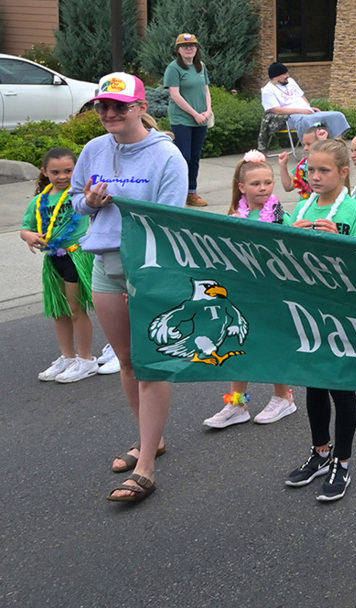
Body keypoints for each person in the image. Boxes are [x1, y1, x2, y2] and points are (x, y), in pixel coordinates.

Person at [71, 73, 188, 502]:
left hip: (146, 267)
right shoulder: (94, 149)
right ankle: (149, 438)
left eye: (119, 105)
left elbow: (172, 224)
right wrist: (92, 202)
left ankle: (146, 468)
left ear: (141, 107)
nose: (109, 113)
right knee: (126, 361)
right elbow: (75, 199)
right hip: (104, 262)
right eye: (103, 105)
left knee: (149, 362)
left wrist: (145, 275)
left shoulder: (167, 157)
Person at [282, 139, 356, 502]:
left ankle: (343, 461)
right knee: (313, 384)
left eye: (324, 170)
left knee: (340, 384)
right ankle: (321, 452)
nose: (315, 176)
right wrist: (291, 236)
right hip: (307, 308)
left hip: (341, 311)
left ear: (344, 172)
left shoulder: (355, 210)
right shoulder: (300, 206)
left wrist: (340, 241)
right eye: (310, 170)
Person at [204, 150, 297, 429]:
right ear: (242, 187)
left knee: (273, 342)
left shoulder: (280, 215)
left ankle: (284, 397)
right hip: (243, 290)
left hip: (273, 290)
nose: (264, 188)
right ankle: (237, 402)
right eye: (256, 184)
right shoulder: (235, 216)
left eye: (268, 183)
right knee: (235, 341)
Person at [22, 147, 99, 384]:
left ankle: (86, 359)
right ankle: (68, 356)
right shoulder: (38, 201)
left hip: (76, 256)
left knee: (76, 309)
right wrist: (29, 236)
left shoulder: (80, 195)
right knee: (59, 310)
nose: (62, 176)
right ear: (45, 172)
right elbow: (26, 228)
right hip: (53, 258)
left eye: (68, 170)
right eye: (55, 172)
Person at [164, 33, 213, 208]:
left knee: (195, 156)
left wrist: (208, 111)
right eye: (184, 46)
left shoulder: (201, 67)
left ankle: (192, 192)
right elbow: (175, 95)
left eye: (192, 45)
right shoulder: (174, 68)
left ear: (197, 48)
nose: (189, 48)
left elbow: (206, 91)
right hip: (182, 119)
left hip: (201, 119)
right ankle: (179, 192)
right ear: (178, 50)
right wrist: (195, 114)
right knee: (183, 156)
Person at [261, 63, 351, 141]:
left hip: (308, 113)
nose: (288, 75)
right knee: (305, 120)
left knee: (337, 116)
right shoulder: (268, 90)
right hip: (290, 118)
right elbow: (276, 110)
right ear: (276, 76)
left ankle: (335, 144)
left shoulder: (290, 81)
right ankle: (311, 148)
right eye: (284, 74)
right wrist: (301, 111)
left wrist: (309, 107)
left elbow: (301, 95)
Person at [278, 125, 327, 203]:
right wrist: (283, 165)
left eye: (309, 144)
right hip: (305, 207)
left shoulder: (328, 163)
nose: (305, 148)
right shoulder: (303, 164)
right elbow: (289, 186)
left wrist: (323, 144)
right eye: (304, 144)